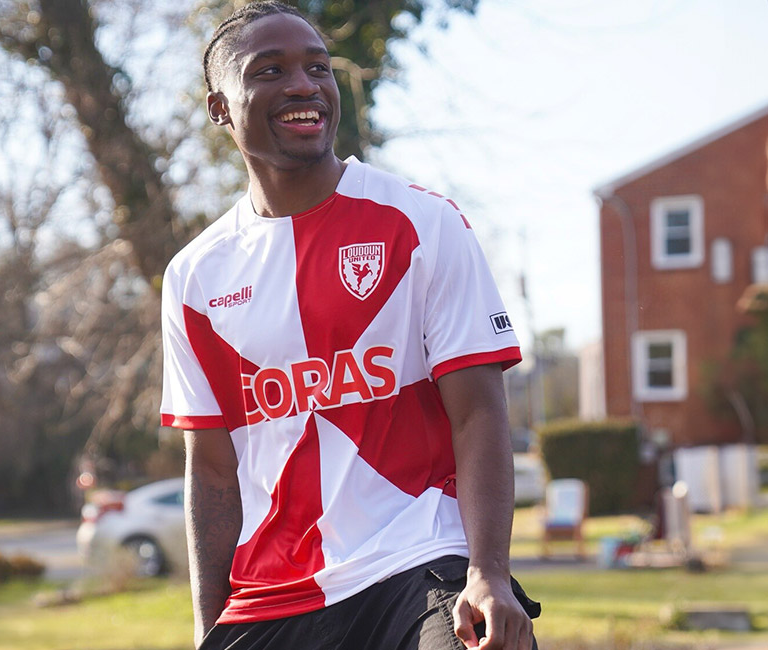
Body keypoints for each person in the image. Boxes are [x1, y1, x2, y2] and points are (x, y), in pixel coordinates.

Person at [159, 2, 540, 648]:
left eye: (317, 67)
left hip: (418, 562)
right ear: (219, 108)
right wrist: (208, 631)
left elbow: (480, 414)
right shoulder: (194, 277)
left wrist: (489, 576)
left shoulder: (422, 225)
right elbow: (215, 471)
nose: (304, 85)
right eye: (269, 70)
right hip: (275, 595)